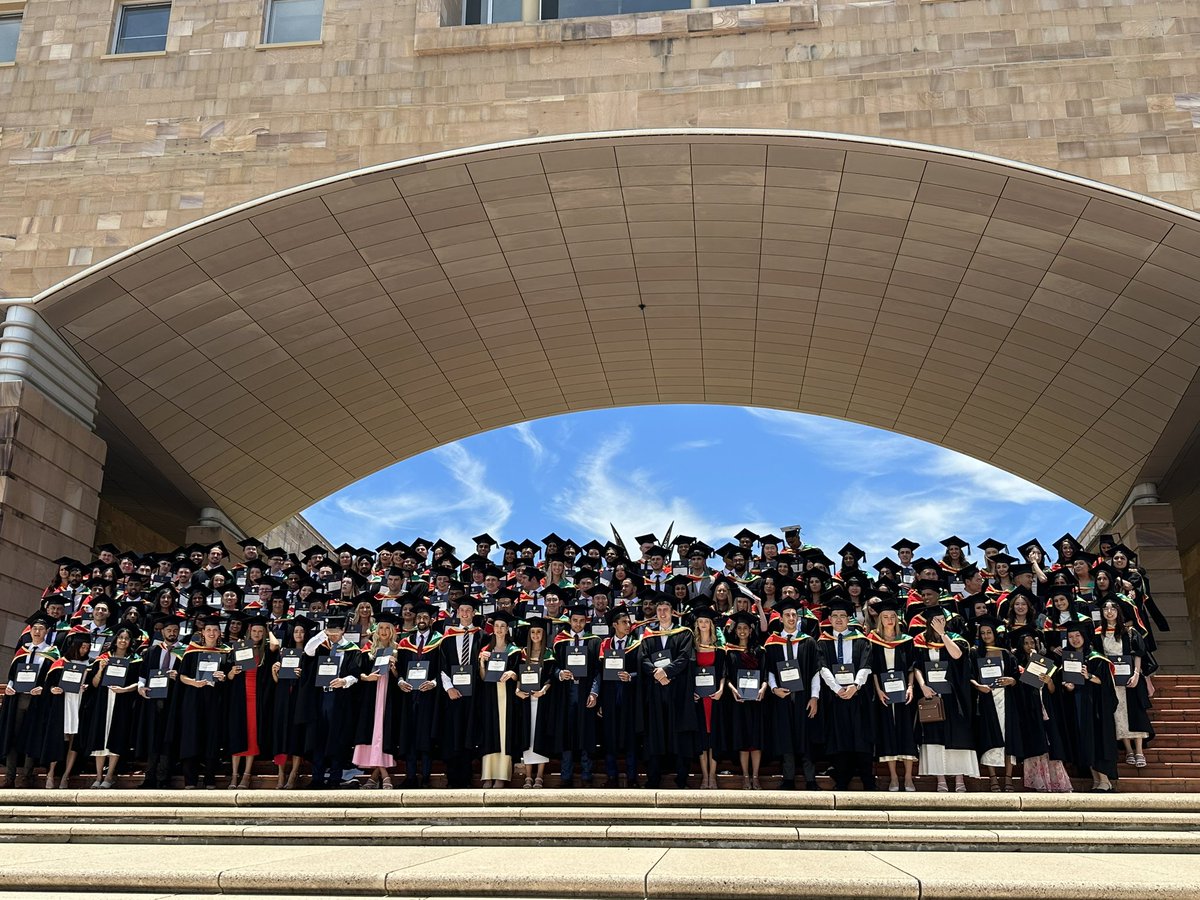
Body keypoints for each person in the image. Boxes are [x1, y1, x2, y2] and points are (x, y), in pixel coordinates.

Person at [913, 611, 978, 792]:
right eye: (936, 620)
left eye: (942, 620)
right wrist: (923, 686)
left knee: (957, 735)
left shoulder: (955, 638)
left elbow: (957, 655)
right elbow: (916, 666)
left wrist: (943, 634)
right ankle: (940, 779)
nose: (939, 622)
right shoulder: (920, 641)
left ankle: (959, 779)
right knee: (934, 736)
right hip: (931, 695)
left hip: (953, 696)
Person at [817, 598, 875, 790]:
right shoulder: (824, 641)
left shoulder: (861, 640)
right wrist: (837, 688)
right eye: (835, 616)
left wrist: (854, 686)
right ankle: (842, 780)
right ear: (830, 619)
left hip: (858, 696)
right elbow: (822, 667)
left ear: (849, 618)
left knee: (861, 737)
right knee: (839, 738)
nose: (839, 619)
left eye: (842, 616)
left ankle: (868, 780)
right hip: (835, 697)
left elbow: (866, 665)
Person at [639, 593, 696, 789]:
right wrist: (656, 672)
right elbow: (643, 658)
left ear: (673, 612)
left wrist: (666, 672)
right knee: (655, 733)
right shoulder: (648, 635)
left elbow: (684, 657)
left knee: (678, 733)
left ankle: (681, 779)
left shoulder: (684, 633)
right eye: (659, 611)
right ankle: (653, 778)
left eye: (666, 610)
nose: (662, 614)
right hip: (655, 691)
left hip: (677, 691)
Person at [763, 597, 820, 790]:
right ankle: (788, 779)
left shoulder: (808, 642)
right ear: (780, 618)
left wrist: (815, 697)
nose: (791, 618)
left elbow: (815, 671)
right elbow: (769, 670)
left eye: (794, 615)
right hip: (782, 696)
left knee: (805, 736)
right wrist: (773, 688)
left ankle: (810, 780)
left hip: (803, 696)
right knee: (785, 736)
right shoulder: (772, 643)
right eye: (787, 615)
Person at [1057, 620, 1118, 792]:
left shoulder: (1096, 658)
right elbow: (1071, 684)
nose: (1074, 639)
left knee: (1096, 740)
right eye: (1070, 636)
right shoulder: (1069, 658)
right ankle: (1096, 780)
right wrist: (1069, 687)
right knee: (1085, 741)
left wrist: (1088, 675)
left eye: (1077, 635)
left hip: (1094, 707)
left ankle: (1105, 780)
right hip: (1078, 703)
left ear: (1084, 636)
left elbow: (1104, 682)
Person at [302, 614, 362, 789]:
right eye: (330, 631)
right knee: (318, 737)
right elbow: (308, 650)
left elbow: (356, 674)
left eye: (336, 631)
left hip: (339, 698)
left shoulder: (352, 649)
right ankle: (317, 778)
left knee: (337, 737)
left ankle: (335, 777)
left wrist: (344, 681)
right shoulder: (322, 646)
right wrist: (323, 634)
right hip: (321, 697)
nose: (333, 635)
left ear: (343, 630)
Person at [1, 614, 58, 788]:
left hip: (36, 701)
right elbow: (12, 675)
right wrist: (10, 686)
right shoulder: (21, 650)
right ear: (30, 631)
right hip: (18, 698)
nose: (37, 631)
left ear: (46, 632)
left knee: (31, 736)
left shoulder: (52, 652)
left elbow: (53, 679)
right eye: (35, 628)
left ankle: (27, 776)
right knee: (13, 735)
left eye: (41, 629)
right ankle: (10, 777)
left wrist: (43, 688)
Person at [866, 600, 917, 792]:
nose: (889, 620)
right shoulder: (873, 641)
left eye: (892, 617)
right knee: (888, 731)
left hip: (904, 692)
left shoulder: (906, 640)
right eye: (885, 617)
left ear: (897, 619)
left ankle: (909, 777)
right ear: (880, 619)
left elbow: (912, 666)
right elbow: (873, 670)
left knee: (906, 731)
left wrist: (910, 687)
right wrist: (878, 690)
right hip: (884, 693)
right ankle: (894, 778)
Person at [82, 625, 141, 788]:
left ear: (130, 642)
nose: (123, 641)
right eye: (121, 637)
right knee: (100, 736)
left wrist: (124, 690)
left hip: (122, 702)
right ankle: (98, 776)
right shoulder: (103, 658)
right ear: (115, 640)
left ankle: (109, 776)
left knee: (117, 736)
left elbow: (139, 683)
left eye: (126, 639)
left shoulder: (135, 660)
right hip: (102, 701)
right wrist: (100, 670)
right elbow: (93, 684)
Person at [1097, 599, 1154, 769]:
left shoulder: (1129, 632)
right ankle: (1128, 749)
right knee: (1118, 715)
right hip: (1112, 680)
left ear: (1118, 611)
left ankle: (1139, 751)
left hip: (1130, 678)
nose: (1109, 612)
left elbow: (1138, 654)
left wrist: (1137, 674)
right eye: (1105, 609)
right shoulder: (1098, 633)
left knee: (1135, 713)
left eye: (1112, 608)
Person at [174, 616, 230, 789]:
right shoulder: (191, 651)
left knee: (211, 737)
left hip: (215, 699)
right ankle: (190, 780)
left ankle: (209, 780)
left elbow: (229, 677)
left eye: (215, 630)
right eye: (208, 630)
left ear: (219, 632)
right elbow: (182, 676)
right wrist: (194, 682)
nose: (212, 633)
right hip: (194, 698)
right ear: (202, 633)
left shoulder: (225, 653)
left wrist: (224, 677)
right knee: (192, 736)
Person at [969, 616, 1021, 792]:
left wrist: (1011, 681)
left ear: (994, 633)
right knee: (989, 737)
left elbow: (1016, 678)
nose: (986, 635)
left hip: (1006, 700)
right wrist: (978, 686)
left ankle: (1008, 778)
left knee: (1008, 739)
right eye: (982, 633)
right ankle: (993, 778)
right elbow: (969, 676)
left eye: (988, 632)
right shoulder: (976, 653)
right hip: (986, 699)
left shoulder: (1006, 654)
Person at [552, 603, 601, 788]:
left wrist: (594, 692)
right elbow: (552, 666)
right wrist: (559, 673)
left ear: (586, 621)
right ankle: (566, 776)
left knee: (586, 733)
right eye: (575, 621)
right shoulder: (560, 641)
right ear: (570, 621)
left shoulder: (594, 641)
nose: (578, 624)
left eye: (581, 621)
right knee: (567, 733)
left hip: (585, 692)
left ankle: (587, 776)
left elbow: (598, 670)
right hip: (566, 693)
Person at [352, 611, 401, 789]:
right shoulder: (368, 650)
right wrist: (367, 678)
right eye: (381, 628)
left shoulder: (398, 650)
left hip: (389, 695)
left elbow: (400, 676)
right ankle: (384, 776)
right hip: (372, 695)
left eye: (387, 628)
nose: (383, 631)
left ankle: (374, 778)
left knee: (383, 733)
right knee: (374, 732)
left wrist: (395, 668)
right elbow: (358, 673)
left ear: (392, 631)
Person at [395, 603, 442, 787]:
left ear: (431, 620)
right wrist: (400, 681)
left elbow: (442, 668)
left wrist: (434, 683)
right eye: (419, 617)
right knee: (410, 735)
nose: (422, 620)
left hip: (429, 695)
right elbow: (399, 668)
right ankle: (410, 776)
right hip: (409, 695)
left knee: (426, 736)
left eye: (425, 618)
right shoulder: (406, 642)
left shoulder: (439, 641)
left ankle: (426, 777)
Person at [438, 598, 482, 788]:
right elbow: (441, 666)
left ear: (474, 613)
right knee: (452, 734)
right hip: (453, 694)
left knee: (469, 733)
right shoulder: (447, 637)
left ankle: (466, 777)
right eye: (461, 610)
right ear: (457, 613)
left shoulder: (482, 637)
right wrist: (448, 688)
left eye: (468, 610)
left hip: (474, 694)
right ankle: (452, 777)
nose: (464, 613)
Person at [226, 615, 274, 789]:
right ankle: (233, 775)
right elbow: (228, 677)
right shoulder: (239, 648)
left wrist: (269, 630)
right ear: (249, 631)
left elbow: (275, 645)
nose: (257, 633)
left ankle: (246, 775)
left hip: (256, 698)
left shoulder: (266, 651)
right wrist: (232, 672)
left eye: (260, 631)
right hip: (239, 697)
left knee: (252, 735)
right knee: (237, 733)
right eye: (254, 630)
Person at [136, 616, 183, 789]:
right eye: (169, 630)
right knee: (153, 738)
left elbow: (188, 675)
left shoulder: (183, 653)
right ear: (162, 632)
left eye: (175, 631)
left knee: (168, 739)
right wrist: (141, 687)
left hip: (173, 701)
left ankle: (164, 779)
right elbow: (142, 675)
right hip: (153, 700)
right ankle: (150, 778)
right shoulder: (152, 651)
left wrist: (177, 676)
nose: (172, 633)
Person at [39, 632, 91, 789]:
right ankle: (51, 774)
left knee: (73, 742)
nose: (85, 650)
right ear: (75, 646)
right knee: (57, 739)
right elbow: (48, 686)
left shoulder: (89, 664)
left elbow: (93, 687)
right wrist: (53, 689)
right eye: (83, 647)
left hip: (79, 704)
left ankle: (65, 776)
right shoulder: (60, 663)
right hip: (62, 704)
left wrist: (86, 687)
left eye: (88, 647)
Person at [268, 616, 315, 790]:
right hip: (283, 700)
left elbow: (312, 681)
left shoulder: (311, 655)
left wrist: (303, 675)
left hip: (299, 701)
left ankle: (294, 773)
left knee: (296, 736)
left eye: (302, 631)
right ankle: (281, 773)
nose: (299, 634)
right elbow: (277, 682)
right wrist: (275, 672)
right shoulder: (284, 652)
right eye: (296, 631)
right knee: (280, 735)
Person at [596, 606, 640, 788]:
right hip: (609, 697)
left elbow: (642, 671)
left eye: (629, 622)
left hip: (629, 697)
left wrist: (631, 676)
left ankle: (632, 778)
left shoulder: (636, 644)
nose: (628, 625)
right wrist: (597, 699)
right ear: (615, 625)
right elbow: (598, 673)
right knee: (609, 738)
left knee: (631, 739)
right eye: (624, 622)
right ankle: (611, 777)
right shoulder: (605, 645)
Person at [476, 611, 521, 788]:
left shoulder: (514, 650)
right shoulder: (486, 649)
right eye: (497, 626)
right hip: (490, 695)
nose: (500, 629)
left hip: (507, 696)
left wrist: (513, 673)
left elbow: (519, 675)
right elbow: (482, 676)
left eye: (503, 626)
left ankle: (502, 775)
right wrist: (481, 662)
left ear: (507, 629)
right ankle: (487, 774)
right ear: (492, 629)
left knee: (504, 733)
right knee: (489, 732)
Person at [725, 610, 766, 789]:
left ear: (750, 631)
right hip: (739, 701)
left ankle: (755, 777)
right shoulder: (730, 652)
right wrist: (733, 690)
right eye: (739, 628)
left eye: (745, 628)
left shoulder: (759, 651)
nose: (742, 631)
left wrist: (764, 688)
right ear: (736, 631)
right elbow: (726, 677)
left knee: (756, 740)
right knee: (743, 740)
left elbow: (765, 675)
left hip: (756, 701)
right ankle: (745, 776)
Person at [515, 616, 555, 788]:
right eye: (533, 632)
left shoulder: (549, 653)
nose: (536, 635)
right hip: (525, 700)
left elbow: (550, 678)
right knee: (527, 736)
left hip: (541, 700)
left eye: (539, 632)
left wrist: (543, 691)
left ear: (544, 634)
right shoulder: (523, 653)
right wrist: (517, 689)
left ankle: (539, 775)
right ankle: (528, 776)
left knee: (539, 736)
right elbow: (518, 674)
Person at [691, 607, 726, 790]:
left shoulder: (719, 649)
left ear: (711, 625)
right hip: (699, 699)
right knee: (702, 738)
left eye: (706, 622)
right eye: (701, 622)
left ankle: (713, 776)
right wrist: (692, 692)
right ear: (697, 625)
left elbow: (722, 673)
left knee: (714, 738)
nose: (703, 624)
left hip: (714, 699)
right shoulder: (692, 649)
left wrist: (721, 690)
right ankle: (704, 777)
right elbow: (689, 675)